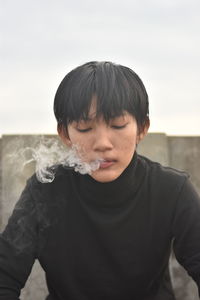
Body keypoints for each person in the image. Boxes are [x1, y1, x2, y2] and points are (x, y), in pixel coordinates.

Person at [0, 61, 200, 300]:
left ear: (142, 128)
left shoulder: (171, 190)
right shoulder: (44, 191)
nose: (103, 143)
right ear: (65, 134)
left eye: (118, 125)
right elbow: (5, 276)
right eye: (85, 128)